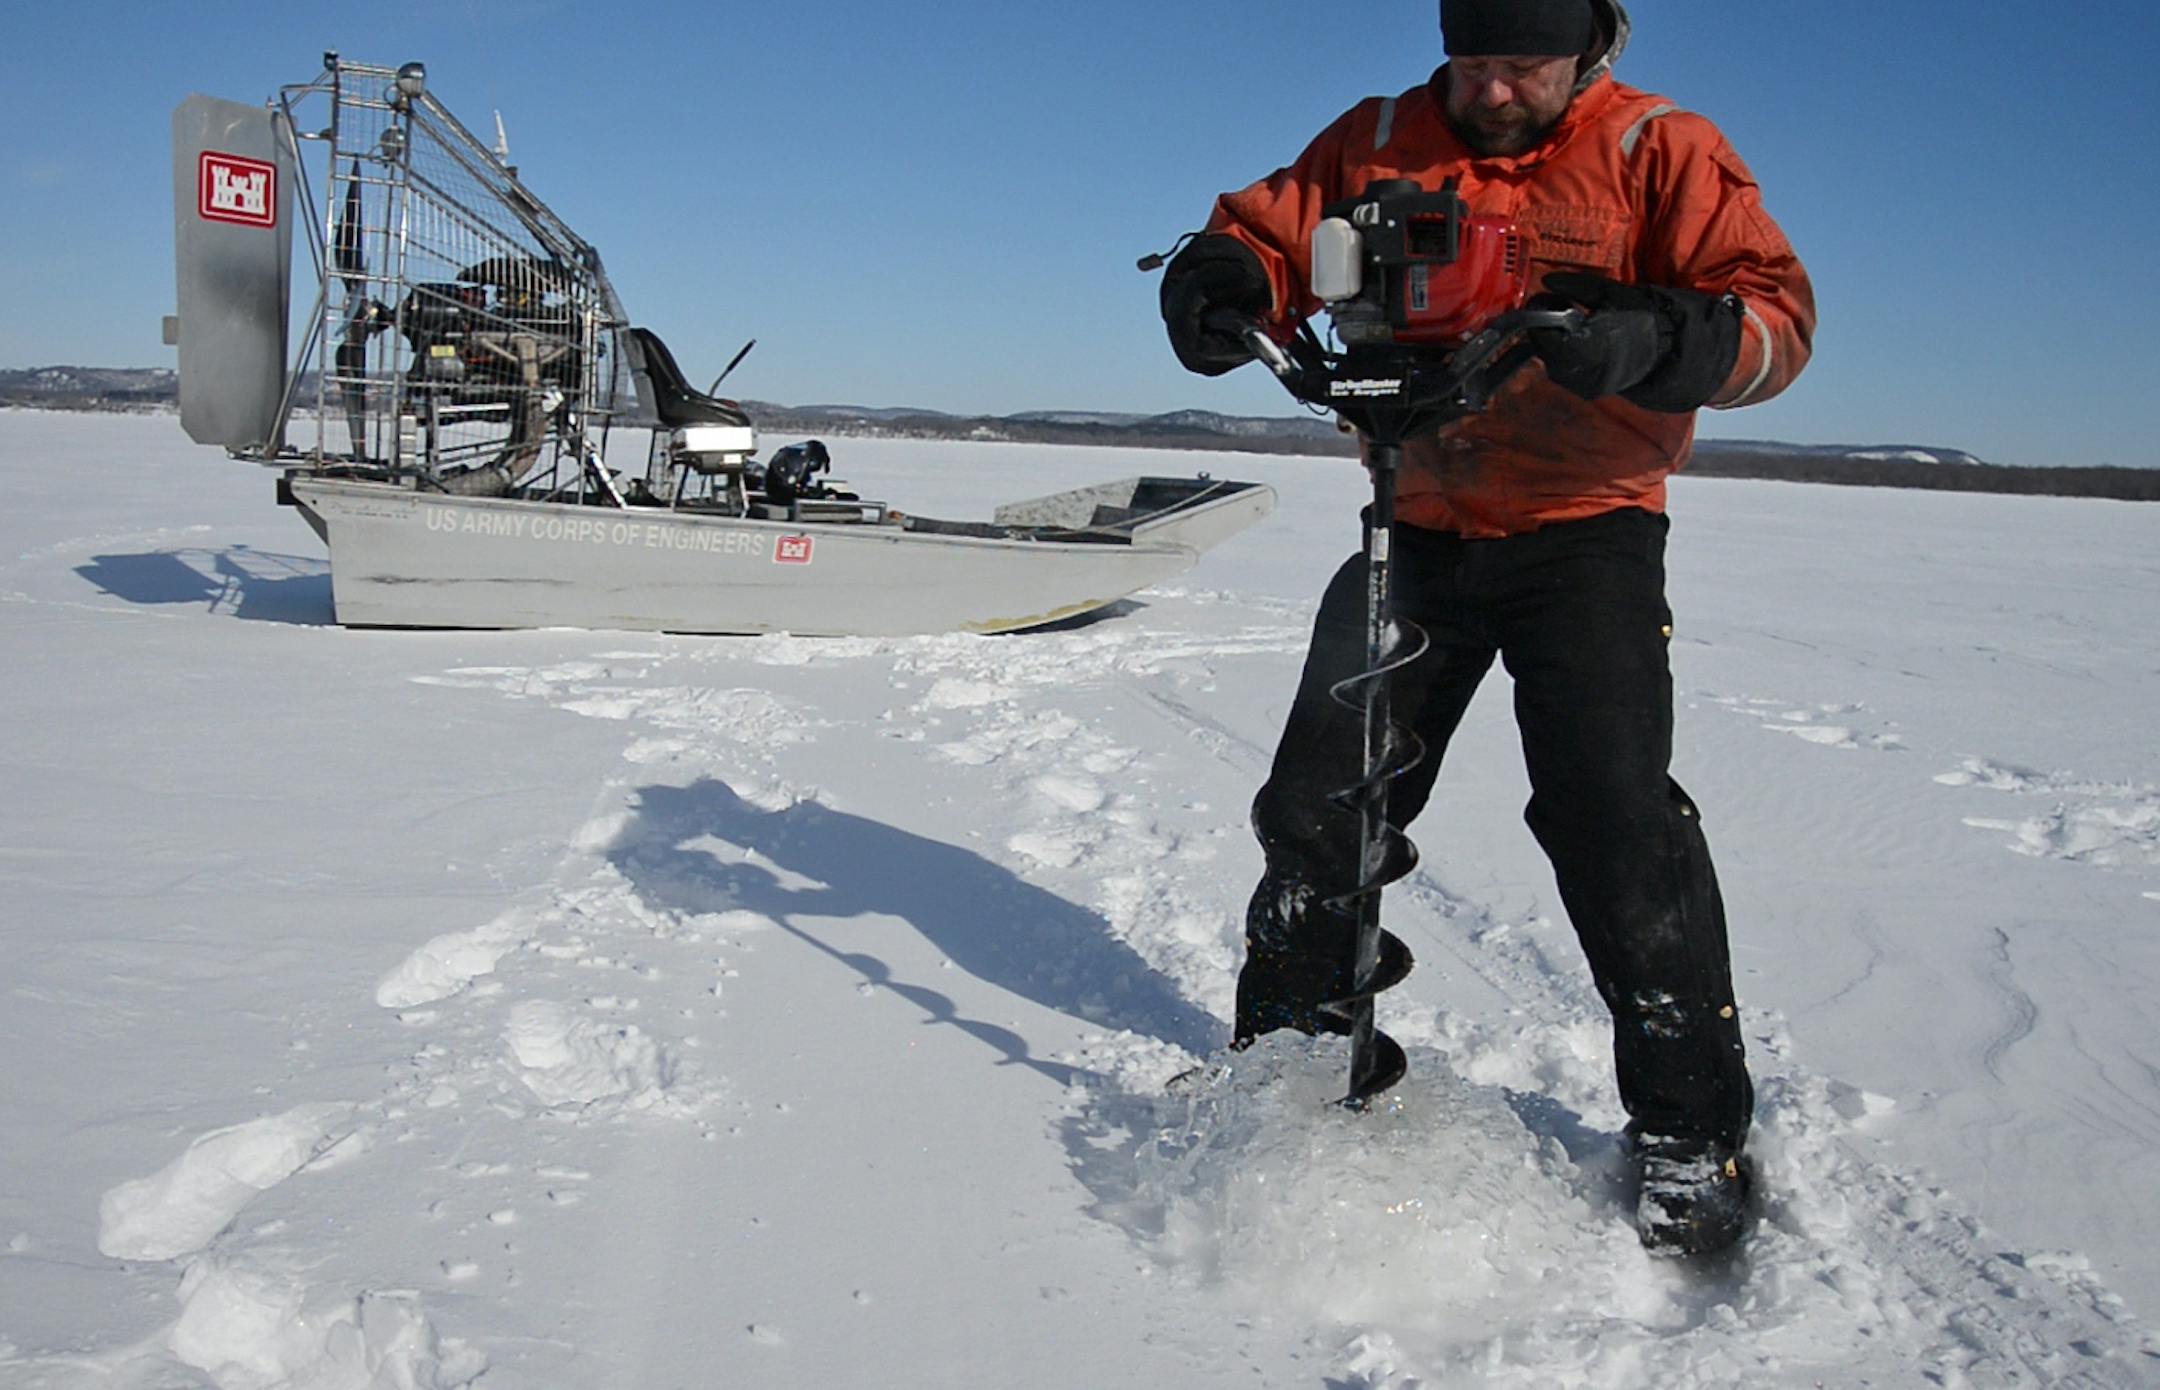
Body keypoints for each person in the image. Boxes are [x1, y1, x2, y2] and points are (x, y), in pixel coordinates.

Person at [1158, 0, 1814, 1256]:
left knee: (1614, 821)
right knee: (1320, 805)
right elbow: (1264, 233)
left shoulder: (1658, 150)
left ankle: (1690, 1127)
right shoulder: (1378, 137)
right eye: (1474, 63)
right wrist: (1224, 278)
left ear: (1587, 50)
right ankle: (1287, 1069)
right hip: (1418, 520)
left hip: (1586, 534)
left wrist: (1659, 336)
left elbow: (1776, 323)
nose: (1495, 90)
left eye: (1524, 67)